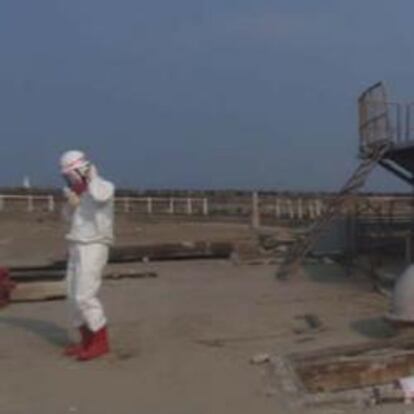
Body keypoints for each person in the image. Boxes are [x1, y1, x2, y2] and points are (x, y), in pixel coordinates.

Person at [60, 150, 115, 361]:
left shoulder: (103, 186)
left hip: (95, 245)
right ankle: (86, 339)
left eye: (71, 175)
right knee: (72, 295)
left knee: (85, 295)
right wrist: (70, 202)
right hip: (77, 244)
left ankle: (100, 341)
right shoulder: (79, 194)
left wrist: (90, 176)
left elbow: (100, 195)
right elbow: (67, 219)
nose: (69, 180)